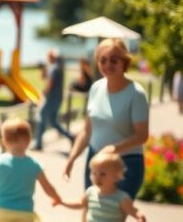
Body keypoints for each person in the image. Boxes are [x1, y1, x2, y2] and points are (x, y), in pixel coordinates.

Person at [63, 38, 150, 200]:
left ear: (125, 62)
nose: (108, 65)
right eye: (103, 60)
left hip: (125, 165)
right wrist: (72, 158)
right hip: (95, 161)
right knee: (91, 213)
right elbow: (86, 130)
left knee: (113, 220)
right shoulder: (96, 88)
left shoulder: (136, 93)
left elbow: (142, 136)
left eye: (114, 60)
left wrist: (113, 149)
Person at [33, 49, 75, 150]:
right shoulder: (58, 68)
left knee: (41, 118)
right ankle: (70, 136)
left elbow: (49, 83)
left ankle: (38, 144)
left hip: (51, 98)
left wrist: (43, 92)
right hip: (57, 98)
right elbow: (44, 78)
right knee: (53, 121)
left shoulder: (53, 68)